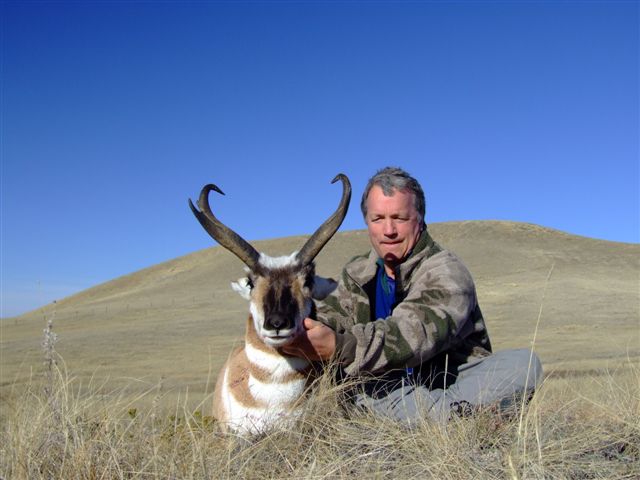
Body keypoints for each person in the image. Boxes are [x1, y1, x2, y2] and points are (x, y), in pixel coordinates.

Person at [283, 167, 543, 424]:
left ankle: (437, 416)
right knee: (362, 385)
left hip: (450, 381)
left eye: (399, 218)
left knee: (524, 365)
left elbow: (413, 334)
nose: (388, 230)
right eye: (378, 219)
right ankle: (458, 418)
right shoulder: (357, 272)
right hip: (384, 383)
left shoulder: (447, 271)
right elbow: (331, 315)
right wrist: (300, 327)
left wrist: (341, 348)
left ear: (420, 219)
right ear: (367, 223)